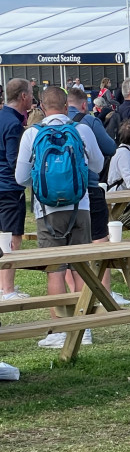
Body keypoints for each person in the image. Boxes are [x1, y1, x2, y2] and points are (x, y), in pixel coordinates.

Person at [15, 86, 106, 347]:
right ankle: (83, 328)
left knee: (55, 270)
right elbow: (98, 166)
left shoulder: (32, 134)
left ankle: (58, 330)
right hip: (81, 205)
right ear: (67, 106)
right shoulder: (82, 130)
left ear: (42, 108)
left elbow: (20, 178)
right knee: (81, 268)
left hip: (47, 211)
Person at [67, 87, 130, 307]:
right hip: (89, 188)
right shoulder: (87, 123)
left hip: (53, 198)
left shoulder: (43, 126)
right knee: (99, 239)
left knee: (66, 250)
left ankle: (73, 296)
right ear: (84, 105)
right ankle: (104, 294)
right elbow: (109, 148)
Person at [0, 78, 32, 301]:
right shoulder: (13, 124)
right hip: (10, 189)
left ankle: (3, 287)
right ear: (23, 96)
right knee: (12, 238)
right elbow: (14, 161)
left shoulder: (3, 117)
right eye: (31, 92)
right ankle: (8, 289)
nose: (33, 97)